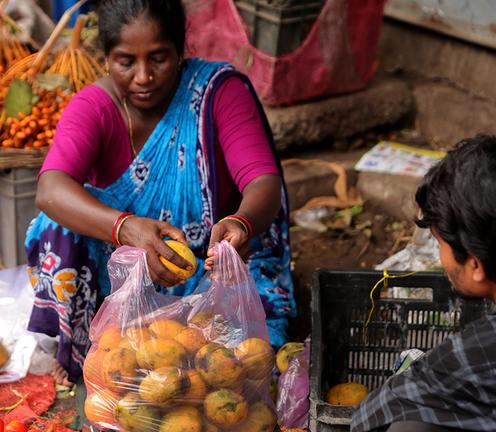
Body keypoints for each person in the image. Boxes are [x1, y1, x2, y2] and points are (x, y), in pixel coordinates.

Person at [25, 0, 295, 384]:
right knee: (53, 224)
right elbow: (50, 188)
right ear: (105, 60)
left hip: (211, 270)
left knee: (235, 370)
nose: (143, 76)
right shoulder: (95, 107)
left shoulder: (218, 92)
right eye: (125, 61)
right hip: (123, 283)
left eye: (158, 58)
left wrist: (241, 224)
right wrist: (125, 228)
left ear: (181, 51)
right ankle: (89, 347)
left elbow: (262, 181)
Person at [352, 134, 496, 432]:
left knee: (410, 426)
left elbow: (369, 416)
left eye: (438, 243)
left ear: (475, 264)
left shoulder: (474, 353)